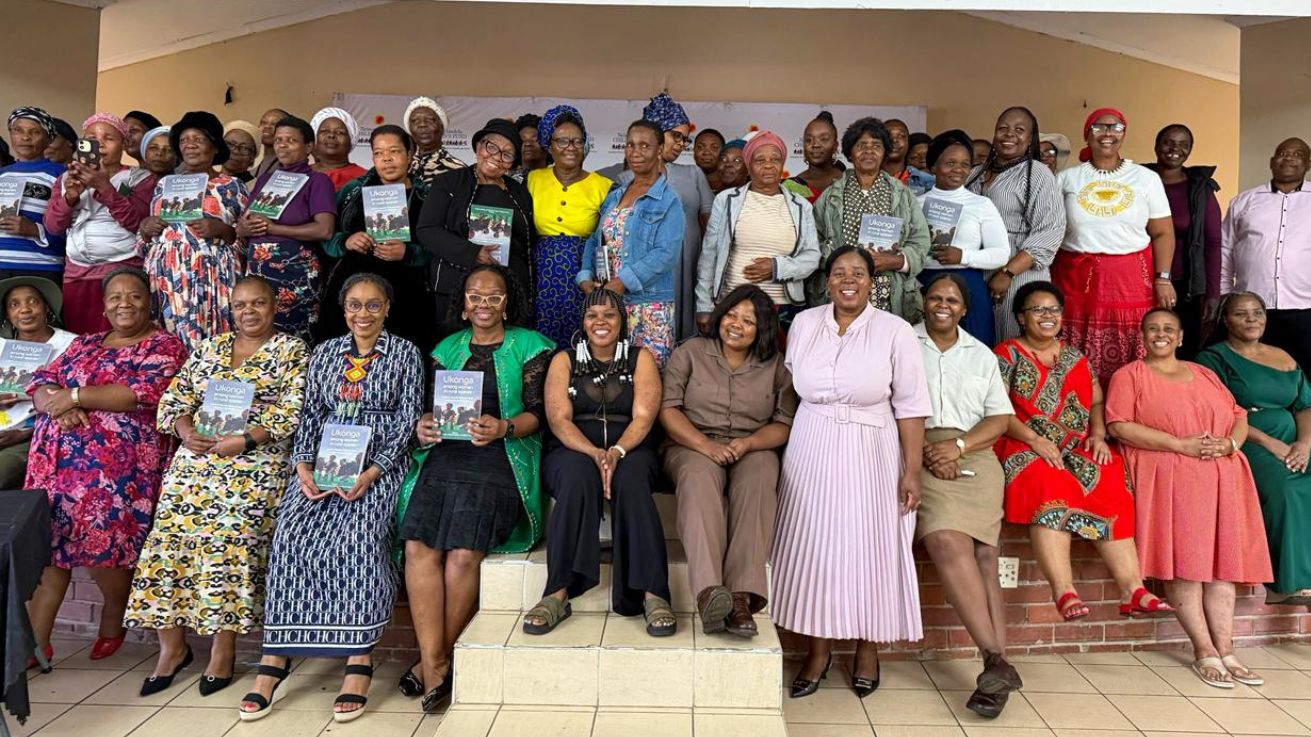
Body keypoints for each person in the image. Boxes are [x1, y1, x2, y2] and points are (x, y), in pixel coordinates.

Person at [239, 273, 422, 723]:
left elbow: (407, 420)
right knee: (290, 535)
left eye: (373, 305)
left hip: (379, 465)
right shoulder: (324, 352)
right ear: (343, 310)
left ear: (387, 308)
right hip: (323, 462)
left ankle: (359, 658)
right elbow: (311, 415)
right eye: (354, 305)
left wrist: (373, 471)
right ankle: (274, 658)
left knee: (358, 538)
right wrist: (302, 465)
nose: (363, 314)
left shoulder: (405, 353)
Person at [125, 275, 307, 697]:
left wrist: (246, 440)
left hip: (255, 462)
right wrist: (187, 432)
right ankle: (172, 649)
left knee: (228, 538)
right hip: (198, 458)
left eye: (258, 303)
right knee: (169, 539)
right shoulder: (210, 348)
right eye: (241, 305)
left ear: (274, 306)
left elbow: (294, 409)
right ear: (231, 309)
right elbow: (174, 400)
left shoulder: (292, 351)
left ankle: (222, 652)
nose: (249, 312)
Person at [773, 247, 930, 700]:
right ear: (827, 282)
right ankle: (817, 651)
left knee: (871, 546)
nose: (848, 280)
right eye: (839, 272)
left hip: (872, 446)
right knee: (816, 545)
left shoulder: (896, 331)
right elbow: (793, 386)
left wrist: (912, 471)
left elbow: (911, 406)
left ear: (871, 282)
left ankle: (867, 648)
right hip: (812, 444)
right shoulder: (804, 324)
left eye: (858, 273)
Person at [395, 264, 553, 710]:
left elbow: (542, 414)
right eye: (475, 297)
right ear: (463, 304)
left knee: (464, 552)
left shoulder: (533, 346)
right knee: (419, 546)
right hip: (446, 456)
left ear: (507, 303)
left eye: (494, 296)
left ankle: (432, 663)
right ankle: (437, 663)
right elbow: (427, 410)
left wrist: (503, 427)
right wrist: (424, 426)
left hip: (501, 456)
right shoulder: (445, 350)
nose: (484, 304)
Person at [24, 267, 186, 665]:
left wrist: (76, 396)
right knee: (47, 549)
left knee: (103, 547)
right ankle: (31, 647)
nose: (123, 304)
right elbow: (42, 381)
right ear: (104, 306)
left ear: (150, 302)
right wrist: (57, 404)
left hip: (115, 471)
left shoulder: (164, 346)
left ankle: (115, 614)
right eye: (115, 297)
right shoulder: (85, 343)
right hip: (52, 467)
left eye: (134, 296)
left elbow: (141, 393)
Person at [1107, 307, 1273, 688]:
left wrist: (1230, 444)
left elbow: (1239, 415)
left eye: (1169, 328)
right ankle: (1204, 650)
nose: (1160, 334)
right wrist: (1179, 444)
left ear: (1181, 337)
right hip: (1170, 478)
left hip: (1221, 478)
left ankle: (1227, 650)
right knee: (1186, 562)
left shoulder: (1204, 373)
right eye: (1152, 329)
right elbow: (1119, 426)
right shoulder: (1129, 376)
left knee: (1220, 565)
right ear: (1142, 337)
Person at [994, 280, 1172, 622]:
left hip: (1075, 445)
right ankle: (1064, 591)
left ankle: (1133, 590)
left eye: (1054, 310)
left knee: (1110, 477)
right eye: (1038, 310)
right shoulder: (1006, 354)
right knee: (1050, 483)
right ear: (1021, 317)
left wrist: (1099, 435)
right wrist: (1035, 440)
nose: (1048, 316)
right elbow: (997, 409)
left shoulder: (1075, 356)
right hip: (1021, 442)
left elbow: (1097, 402)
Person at [525, 287, 672, 637]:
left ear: (622, 321)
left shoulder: (640, 359)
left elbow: (644, 417)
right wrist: (593, 453)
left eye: (609, 314)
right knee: (577, 478)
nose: (600, 321)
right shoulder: (564, 360)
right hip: (573, 447)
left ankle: (653, 594)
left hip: (632, 447)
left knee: (631, 481)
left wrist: (617, 452)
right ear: (583, 322)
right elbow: (559, 419)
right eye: (592, 315)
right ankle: (557, 592)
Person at [914, 273, 1021, 718]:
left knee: (985, 558)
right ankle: (996, 659)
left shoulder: (981, 355)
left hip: (974, 454)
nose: (943, 305)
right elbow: (887, 405)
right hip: (918, 451)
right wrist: (929, 452)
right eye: (936, 297)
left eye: (952, 300)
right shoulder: (902, 344)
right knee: (944, 539)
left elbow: (999, 418)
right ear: (924, 302)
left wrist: (957, 447)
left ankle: (995, 677)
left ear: (964, 309)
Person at [662, 285, 797, 636]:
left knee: (762, 473)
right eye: (732, 315)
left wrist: (750, 443)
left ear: (762, 329)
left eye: (748, 321)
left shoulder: (775, 366)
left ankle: (740, 597)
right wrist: (704, 445)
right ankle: (710, 593)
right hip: (691, 443)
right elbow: (668, 410)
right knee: (699, 477)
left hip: (750, 445)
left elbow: (783, 423)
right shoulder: (691, 352)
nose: (736, 325)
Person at [1198, 292, 1311, 606]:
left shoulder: (1283, 356)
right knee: (1286, 488)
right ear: (1225, 320)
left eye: (1257, 312)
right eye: (1241, 313)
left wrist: (1304, 443)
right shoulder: (1213, 359)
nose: (1251, 319)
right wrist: (1271, 443)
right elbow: (1219, 412)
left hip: (1295, 441)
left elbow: (1305, 406)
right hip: (1248, 441)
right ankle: (1286, 584)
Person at [1054, 108, 1176, 388]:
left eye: (1116, 127)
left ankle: (1128, 405)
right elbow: (1052, 229)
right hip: (1076, 280)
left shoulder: (1145, 178)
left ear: (1124, 134)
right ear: (1087, 134)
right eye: (1099, 127)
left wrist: (1163, 278)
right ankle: (1083, 406)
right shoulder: (1067, 178)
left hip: (1130, 280)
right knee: (1074, 351)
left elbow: (1163, 232)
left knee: (1131, 348)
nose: (1108, 133)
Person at [416, 118, 535, 340]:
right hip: (454, 289)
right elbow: (427, 229)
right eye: (492, 147)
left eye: (507, 154)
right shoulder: (449, 182)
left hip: (505, 292)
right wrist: (473, 253)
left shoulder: (519, 192)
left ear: (512, 164)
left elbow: (525, 241)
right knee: (456, 349)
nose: (496, 157)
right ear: (479, 147)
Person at [577, 120, 683, 366]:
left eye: (645, 145)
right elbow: (595, 240)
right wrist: (585, 276)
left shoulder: (668, 200)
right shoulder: (615, 195)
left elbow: (666, 254)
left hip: (647, 306)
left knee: (648, 373)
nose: (636, 152)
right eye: (630, 145)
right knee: (612, 372)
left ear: (659, 150)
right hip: (609, 303)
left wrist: (623, 282)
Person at [138, 111, 247, 351]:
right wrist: (146, 228)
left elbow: (246, 236)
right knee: (167, 342)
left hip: (211, 276)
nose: (190, 145)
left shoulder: (231, 186)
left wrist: (222, 229)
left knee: (211, 344)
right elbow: (146, 240)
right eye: (184, 140)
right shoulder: (164, 184)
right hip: (166, 276)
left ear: (215, 147)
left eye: (198, 139)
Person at [318, 125, 432, 350]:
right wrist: (345, 241)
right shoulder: (353, 191)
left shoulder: (426, 196)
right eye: (378, 153)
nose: (386, 159)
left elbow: (439, 249)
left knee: (401, 353)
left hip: (407, 293)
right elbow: (325, 234)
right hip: (350, 289)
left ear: (410, 154)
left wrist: (408, 252)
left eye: (394, 151)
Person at [807, 117, 931, 324]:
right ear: (850, 153)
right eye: (861, 145)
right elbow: (811, 243)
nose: (869, 151)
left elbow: (921, 241)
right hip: (842, 293)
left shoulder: (902, 195)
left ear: (884, 152)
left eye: (876, 146)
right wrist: (842, 259)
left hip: (891, 297)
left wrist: (896, 261)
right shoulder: (830, 197)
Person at [696, 131, 819, 333]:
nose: (768, 165)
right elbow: (709, 256)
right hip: (732, 305)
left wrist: (777, 267)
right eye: (760, 160)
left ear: (782, 164)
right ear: (748, 165)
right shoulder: (726, 201)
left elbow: (812, 257)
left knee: (779, 355)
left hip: (783, 309)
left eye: (775, 159)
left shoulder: (801, 206)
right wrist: (703, 305)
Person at [43, 113, 155, 334]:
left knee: (119, 336)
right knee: (81, 338)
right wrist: (70, 197)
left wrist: (104, 187)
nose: (100, 144)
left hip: (122, 271)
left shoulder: (140, 178)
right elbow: (53, 226)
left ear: (124, 144)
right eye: (92, 138)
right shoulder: (65, 179)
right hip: (77, 275)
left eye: (109, 138)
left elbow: (138, 224)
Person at [967, 107, 1065, 345]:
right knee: (978, 342)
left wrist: (1007, 273)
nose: (1009, 134)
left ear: (1031, 138)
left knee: (1012, 341)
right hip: (977, 268)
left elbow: (1050, 230)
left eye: (1019, 130)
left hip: (1018, 271)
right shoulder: (976, 173)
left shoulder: (1037, 174)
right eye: (1003, 128)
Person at [237, 115, 336, 341]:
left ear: (308, 147)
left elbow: (324, 230)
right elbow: (242, 227)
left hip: (294, 271)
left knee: (294, 338)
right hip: (258, 269)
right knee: (258, 335)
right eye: (278, 140)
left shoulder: (317, 181)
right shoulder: (266, 180)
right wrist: (244, 227)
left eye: (291, 140)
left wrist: (274, 228)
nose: (282, 145)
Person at [1220, 137, 1311, 375]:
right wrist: (1224, 296)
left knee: (1306, 376)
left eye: (1298, 154)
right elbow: (1225, 250)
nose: (1288, 157)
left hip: (1305, 308)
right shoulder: (1244, 201)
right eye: (1282, 153)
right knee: (1253, 375)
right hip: (1251, 310)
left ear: (1308, 165)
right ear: (1271, 162)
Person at [629, 93, 713, 342]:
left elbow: (711, 227)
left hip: (689, 269)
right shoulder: (627, 180)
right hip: (647, 272)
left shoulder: (694, 174)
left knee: (685, 338)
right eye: (675, 135)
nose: (681, 144)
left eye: (685, 139)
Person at [526, 105, 612, 347]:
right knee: (540, 339)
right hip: (540, 274)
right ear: (549, 145)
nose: (571, 147)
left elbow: (608, 238)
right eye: (562, 141)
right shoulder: (532, 179)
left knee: (581, 337)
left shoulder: (604, 186)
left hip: (583, 273)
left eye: (577, 141)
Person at [917, 130, 1010, 346]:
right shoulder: (915, 204)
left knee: (974, 347)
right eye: (950, 163)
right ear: (933, 166)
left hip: (968, 286)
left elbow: (1001, 253)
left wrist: (964, 256)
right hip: (924, 283)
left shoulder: (981, 204)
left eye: (964, 164)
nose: (958, 170)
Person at [1143, 124, 1222, 359]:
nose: (1175, 149)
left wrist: (1212, 294)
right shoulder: (1137, 180)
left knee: (1180, 349)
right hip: (1138, 279)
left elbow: (1213, 243)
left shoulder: (1200, 189)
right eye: (1168, 142)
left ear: (1190, 150)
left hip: (1184, 285)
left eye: (1183, 145)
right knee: (1140, 344)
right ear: (1156, 146)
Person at [0, 276, 75, 489]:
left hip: (35, 435)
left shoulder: (72, 345)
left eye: (33, 301)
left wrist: (25, 434)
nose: (25, 309)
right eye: (14, 305)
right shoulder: (2, 345)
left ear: (46, 308)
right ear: (8, 315)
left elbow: (75, 400)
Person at [2, 107, 66, 280]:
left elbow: (75, 227)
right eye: (18, 130)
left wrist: (36, 230)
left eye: (35, 132)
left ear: (49, 138)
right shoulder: (2, 175)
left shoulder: (61, 175)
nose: (25, 137)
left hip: (41, 267)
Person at [784, 112, 845, 203]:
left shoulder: (848, 180)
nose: (815, 145)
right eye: (809, 140)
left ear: (835, 145)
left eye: (824, 139)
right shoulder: (791, 186)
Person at [405, 97, 466, 185]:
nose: (422, 124)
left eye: (430, 120)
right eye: (415, 121)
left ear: (442, 126)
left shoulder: (458, 170)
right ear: (409, 129)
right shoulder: (403, 167)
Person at [310, 107, 367, 192]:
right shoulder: (300, 175)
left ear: (351, 140)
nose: (331, 135)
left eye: (340, 132)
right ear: (316, 138)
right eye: (324, 131)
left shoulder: (365, 178)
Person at [882, 119, 935, 196]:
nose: (894, 140)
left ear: (908, 142)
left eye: (901, 136)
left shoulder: (930, 182)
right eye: (887, 136)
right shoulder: (866, 179)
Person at [252, 108, 289, 180]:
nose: (267, 127)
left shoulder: (288, 166)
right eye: (263, 123)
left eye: (275, 124)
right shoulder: (251, 163)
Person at [513, 113, 546, 181]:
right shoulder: (508, 182)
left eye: (534, 139)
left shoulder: (559, 177)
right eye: (523, 139)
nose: (527, 143)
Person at [693, 128, 725, 192]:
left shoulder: (733, 186)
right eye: (700, 147)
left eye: (714, 147)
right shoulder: (683, 183)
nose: (707, 152)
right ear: (694, 151)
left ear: (723, 152)